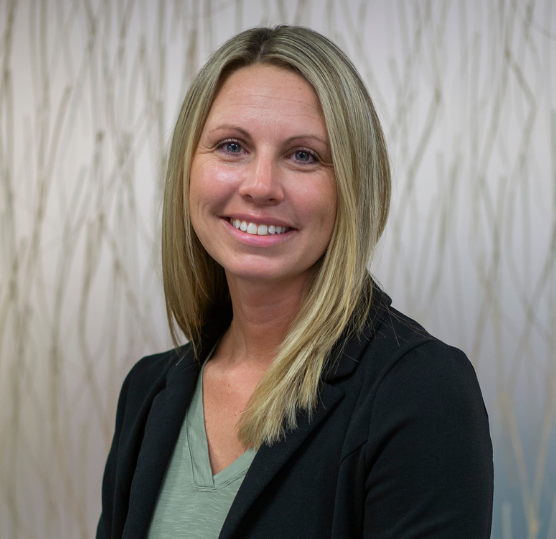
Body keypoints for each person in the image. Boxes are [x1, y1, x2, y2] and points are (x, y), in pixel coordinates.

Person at [97, 25, 493, 539]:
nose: (260, 186)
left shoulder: (421, 391)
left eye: (303, 155)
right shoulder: (148, 393)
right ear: (187, 170)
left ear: (350, 185)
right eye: (232, 146)